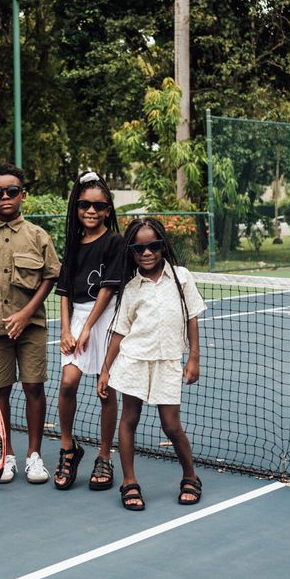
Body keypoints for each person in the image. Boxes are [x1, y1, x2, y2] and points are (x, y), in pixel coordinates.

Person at [0, 163, 60, 484]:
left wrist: (27, 313)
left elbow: (50, 276)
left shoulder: (38, 236)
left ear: (22, 196)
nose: (6, 197)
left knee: (33, 387)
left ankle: (34, 456)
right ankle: (8, 455)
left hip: (31, 329)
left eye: (12, 191)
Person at [97, 217, 206, 512]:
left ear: (163, 246)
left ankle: (190, 476)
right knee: (129, 419)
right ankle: (129, 481)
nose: (146, 253)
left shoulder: (182, 278)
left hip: (168, 361)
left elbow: (192, 318)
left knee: (171, 424)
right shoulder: (131, 287)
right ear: (131, 251)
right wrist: (106, 370)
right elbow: (120, 332)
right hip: (133, 360)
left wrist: (193, 357)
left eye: (153, 246)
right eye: (139, 248)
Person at [54, 171, 125, 491]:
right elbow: (65, 292)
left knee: (105, 389)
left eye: (98, 205)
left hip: (107, 318)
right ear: (77, 208)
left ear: (108, 209)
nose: (91, 211)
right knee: (68, 383)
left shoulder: (115, 242)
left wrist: (88, 329)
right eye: (84, 205)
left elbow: (109, 290)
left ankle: (105, 456)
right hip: (78, 319)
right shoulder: (72, 244)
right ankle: (68, 447)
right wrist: (67, 330)